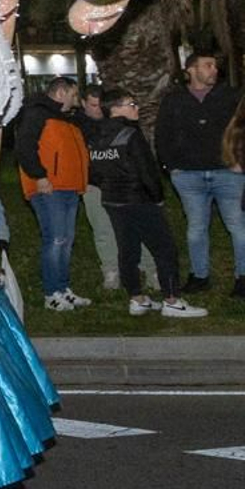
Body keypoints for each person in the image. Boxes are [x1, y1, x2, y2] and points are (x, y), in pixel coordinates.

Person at [86, 89, 207, 318]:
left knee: (127, 251)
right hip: (139, 200)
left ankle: (137, 299)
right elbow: (147, 171)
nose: (136, 108)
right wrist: (158, 197)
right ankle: (172, 300)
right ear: (115, 108)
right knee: (165, 249)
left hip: (112, 201)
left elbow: (94, 173)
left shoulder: (97, 137)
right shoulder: (130, 134)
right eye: (131, 104)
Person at [155, 52, 245, 295]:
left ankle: (242, 278)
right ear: (191, 70)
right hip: (188, 176)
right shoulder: (174, 100)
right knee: (196, 228)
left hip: (228, 174)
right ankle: (199, 276)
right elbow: (162, 135)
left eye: (215, 65)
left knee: (238, 227)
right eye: (208, 65)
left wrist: (241, 162)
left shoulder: (230, 96)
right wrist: (171, 167)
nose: (214, 69)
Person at [15, 76, 92, 311]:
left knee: (65, 241)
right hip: (50, 187)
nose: (76, 100)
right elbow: (25, 147)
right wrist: (39, 176)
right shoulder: (37, 113)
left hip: (69, 187)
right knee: (55, 239)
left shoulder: (67, 119)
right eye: (73, 94)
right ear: (60, 93)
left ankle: (63, 289)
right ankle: (51, 293)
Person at [78, 85, 156, 290]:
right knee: (103, 229)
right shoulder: (77, 126)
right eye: (92, 105)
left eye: (99, 105)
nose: (97, 110)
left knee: (140, 228)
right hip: (94, 185)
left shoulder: (124, 125)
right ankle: (111, 270)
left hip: (125, 186)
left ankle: (150, 269)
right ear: (83, 103)